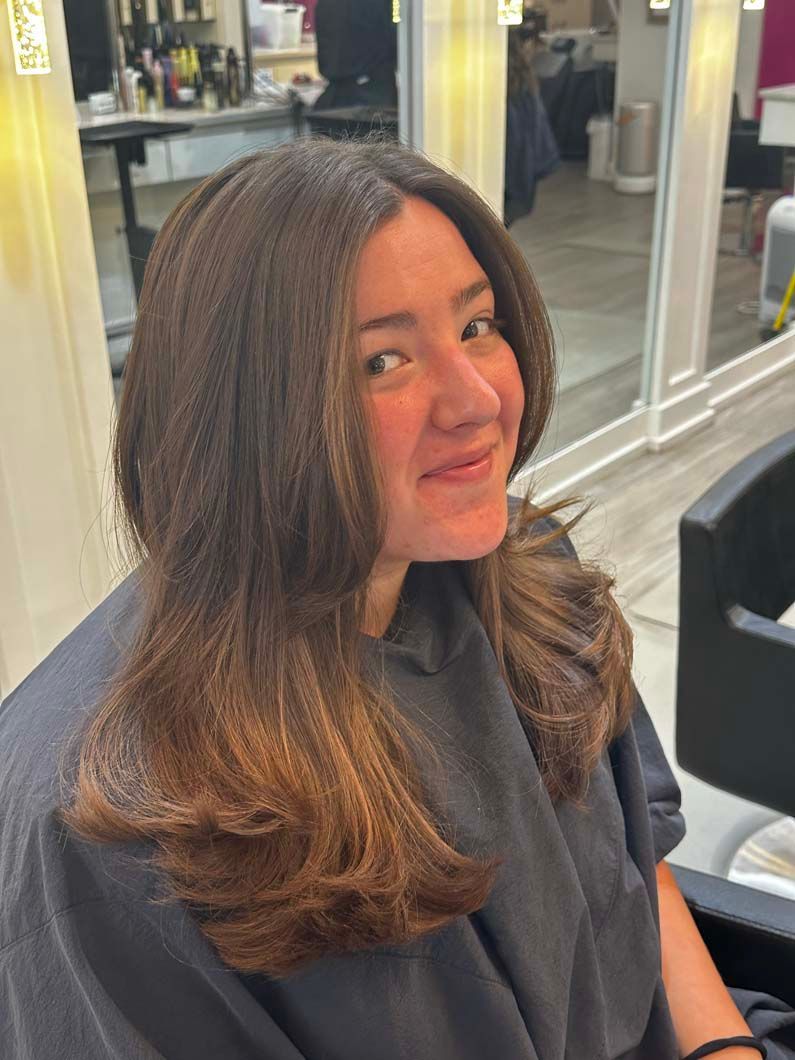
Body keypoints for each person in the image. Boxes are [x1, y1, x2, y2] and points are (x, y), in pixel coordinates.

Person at [1, 136, 793, 1059]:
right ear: (245, 414)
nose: (475, 402)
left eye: (475, 327)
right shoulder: (111, 824)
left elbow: (635, 873)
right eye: (382, 362)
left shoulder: (530, 579)